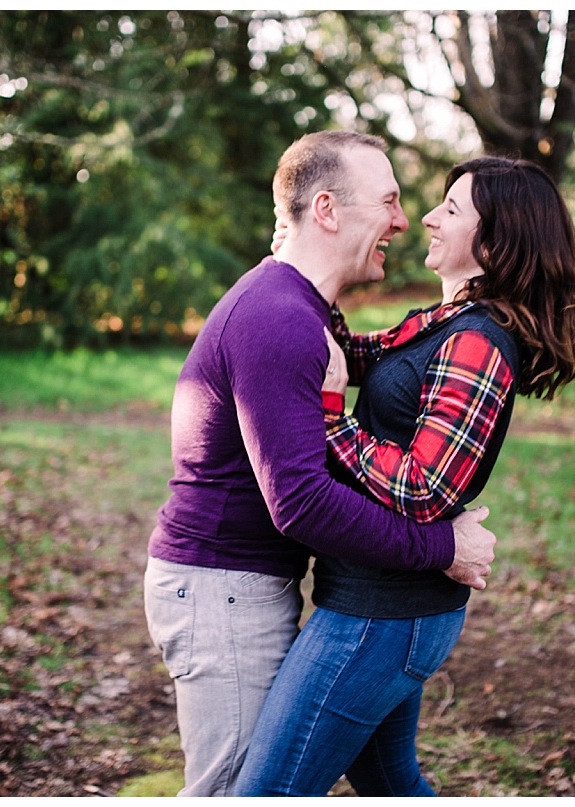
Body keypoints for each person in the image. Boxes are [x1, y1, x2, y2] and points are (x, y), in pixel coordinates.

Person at [143, 132, 498, 797]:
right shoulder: (280, 317)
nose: (401, 220)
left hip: (237, 583)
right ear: (329, 210)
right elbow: (301, 503)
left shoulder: (299, 307)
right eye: (388, 202)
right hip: (221, 590)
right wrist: (440, 545)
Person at [235, 156, 575, 796]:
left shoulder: (479, 342)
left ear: (495, 241)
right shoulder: (444, 322)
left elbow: (429, 486)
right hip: (381, 600)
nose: (426, 216)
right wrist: (303, 261)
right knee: (389, 781)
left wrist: (332, 420)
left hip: (385, 615)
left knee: (267, 794)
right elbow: (353, 349)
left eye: (450, 210)